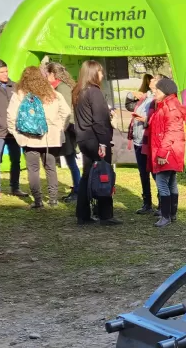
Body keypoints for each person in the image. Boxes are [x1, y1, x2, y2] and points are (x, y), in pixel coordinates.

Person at [8, 65, 72, 209]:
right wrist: (60, 128)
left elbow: (11, 117)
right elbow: (66, 112)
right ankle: (53, 200)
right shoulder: (52, 93)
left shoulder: (19, 94)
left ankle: (38, 201)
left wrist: (18, 135)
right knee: (50, 168)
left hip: (29, 138)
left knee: (33, 170)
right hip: (51, 138)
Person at [72, 60, 119, 226]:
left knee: (87, 176)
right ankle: (105, 214)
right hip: (96, 139)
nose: (102, 75)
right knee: (104, 174)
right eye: (100, 72)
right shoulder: (94, 92)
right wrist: (103, 143)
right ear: (93, 73)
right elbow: (99, 121)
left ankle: (83, 214)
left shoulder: (78, 91)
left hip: (84, 138)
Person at [148, 77, 185, 227]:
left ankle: (166, 216)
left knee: (162, 183)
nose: (154, 92)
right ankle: (172, 214)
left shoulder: (170, 108)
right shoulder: (165, 105)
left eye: (157, 90)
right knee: (171, 183)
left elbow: (171, 132)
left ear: (165, 91)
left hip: (168, 151)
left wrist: (162, 154)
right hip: (170, 150)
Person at [43, 62, 80, 203]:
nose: (46, 76)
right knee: (70, 161)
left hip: (66, 130)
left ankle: (78, 190)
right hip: (63, 128)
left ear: (53, 74)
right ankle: (77, 188)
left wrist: (63, 128)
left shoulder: (62, 88)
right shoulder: (57, 87)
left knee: (71, 161)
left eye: (47, 73)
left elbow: (66, 111)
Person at [0, 59, 23, 198]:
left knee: (16, 160)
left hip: (14, 131)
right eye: (1, 72)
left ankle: (15, 187)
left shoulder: (15, 86)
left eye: (6, 71)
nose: (5, 74)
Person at [128, 74, 155, 215]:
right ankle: (147, 203)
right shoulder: (145, 97)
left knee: (156, 174)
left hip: (149, 141)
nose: (152, 81)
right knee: (143, 174)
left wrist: (145, 119)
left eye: (156, 79)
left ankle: (162, 203)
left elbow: (157, 120)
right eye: (152, 79)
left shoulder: (157, 100)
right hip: (138, 140)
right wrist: (130, 94)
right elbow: (129, 106)